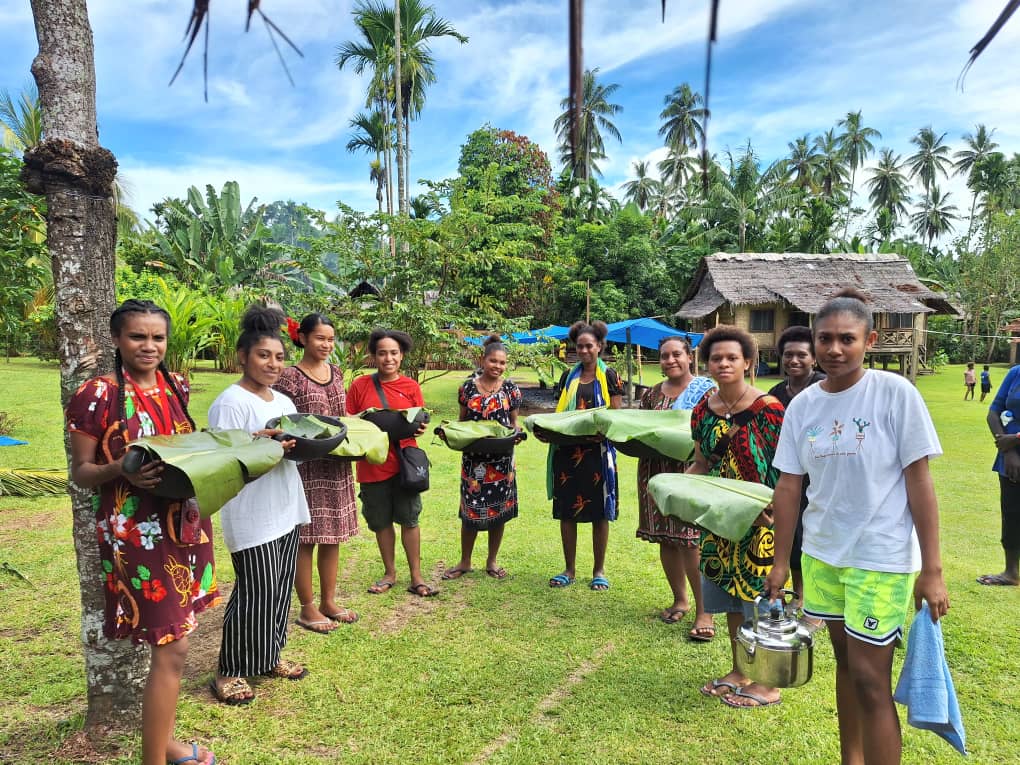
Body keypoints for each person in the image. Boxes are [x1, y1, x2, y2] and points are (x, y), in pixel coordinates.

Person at [765, 288, 950, 765]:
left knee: (871, 678)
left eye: (847, 338)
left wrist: (933, 570)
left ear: (868, 341)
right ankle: (853, 759)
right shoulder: (803, 406)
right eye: (825, 338)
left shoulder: (895, 394)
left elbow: (919, 482)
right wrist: (780, 563)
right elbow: (788, 487)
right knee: (846, 666)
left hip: (880, 556)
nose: (834, 349)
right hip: (824, 556)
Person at [67, 299, 219, 765]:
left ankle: (164, 745)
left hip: (184, 525)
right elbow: (81, 472)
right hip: (137, 535)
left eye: (158, 337)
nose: (149, 346)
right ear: (117, 339)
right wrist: (121, 469)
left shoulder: (177, 385)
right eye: (138, 336)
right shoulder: (97, 394)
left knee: (174, 642)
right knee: (174, 648)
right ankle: (156, 759)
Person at [208, 305, 311, 705]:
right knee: (255, 590)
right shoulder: (230, 402)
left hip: (286, 506)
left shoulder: (283, 399)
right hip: (252, 513)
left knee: (280, 588)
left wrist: (304, 445)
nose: (273, 364)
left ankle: (269, 656)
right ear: (243, 356)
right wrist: (261, 445)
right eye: (263, 356)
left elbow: (293, 453)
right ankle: (229, 670)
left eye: (280, 357)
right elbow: (222, 461)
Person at [686, 325, 785, 708]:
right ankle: (740, 669)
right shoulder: (703, 411)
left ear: (748, 362)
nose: (723, 363)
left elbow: (785, 470)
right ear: (706, 363)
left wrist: (774, 511)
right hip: (720, 520)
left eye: (732, 357)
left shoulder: (768, 410)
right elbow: (701, 463)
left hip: (763, 520)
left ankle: (769, 680)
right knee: (727, 596)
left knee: (761, 599)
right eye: (716, 358)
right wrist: (674, 491)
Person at [274, 313, 360, 634]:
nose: (326, 344)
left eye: (330, 339)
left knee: (332, 535)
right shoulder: (289, 377)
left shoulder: (336, 373)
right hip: (306, 467)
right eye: (320, 338)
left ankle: (329, 601)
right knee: (306, 538)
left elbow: (341, 416)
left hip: (336, 464)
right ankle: (307, 607)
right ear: (304, 338)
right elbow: (283, 422)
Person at [347, 328, 437, 597]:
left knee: (409, 518)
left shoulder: (411, 387)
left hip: (404, 463)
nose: (388, 358)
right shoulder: (360, 386)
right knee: (381, 520)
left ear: (402, 356)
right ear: (374, 356)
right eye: (382, 353)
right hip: (372, 464)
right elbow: (350, 421)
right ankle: (389, 573)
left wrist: (420, 429)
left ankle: (417, 576)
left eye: (394, 353)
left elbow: (418, 420)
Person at [635, 335, 716, 631]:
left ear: (689, 356)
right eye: (665, 356)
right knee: (666, 537)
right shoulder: (651, 395)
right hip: (655, 470)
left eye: (676, 354)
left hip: (690, 472)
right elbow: (640, 429)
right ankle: (680, 600)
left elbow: (716, 432)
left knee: (690, 540)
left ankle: (705, 611)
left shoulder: (707, 392)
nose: (670, 360)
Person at [536, 320, 622, 591]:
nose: (584, 351)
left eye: (589, 346)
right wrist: (547, 431)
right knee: (567, 513)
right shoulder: (567, 377)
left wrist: (602, 431)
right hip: (567, 453)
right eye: (580, 346)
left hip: (597, 453)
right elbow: (562, 415)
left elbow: (616, 417)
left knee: (599, 514)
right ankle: (569, 569)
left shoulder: (610, 376)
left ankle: (599, 570)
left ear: (599, 347)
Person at [441, 335, 523, 581]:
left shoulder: (511, 389)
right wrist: (449, 433)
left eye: (502, 362)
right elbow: (463, 422)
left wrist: (517, 435)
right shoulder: (467, 387)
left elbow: (514, 423)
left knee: (499, 512)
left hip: (502, 462)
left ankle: (492, 561)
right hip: (474, 462)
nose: (497, 366)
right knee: (470, 511)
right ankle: (465, 561)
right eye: (493, 361)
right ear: (483, 360)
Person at [767, 325, 826, 618]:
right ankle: (800, 593)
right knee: (792, 535)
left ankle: (817, 598)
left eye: (801, 355)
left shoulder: (825, 388)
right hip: (788, 475)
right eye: (788, 355)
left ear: (813, 358)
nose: (794, 360)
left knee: (817, 534)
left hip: (821, 476)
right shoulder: (776, 394)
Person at [978, 363, 1020, 586]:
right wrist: (1009, 449)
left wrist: (1016, 438)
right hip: (1011, 460)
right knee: (1011, 513)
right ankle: (1011, 572)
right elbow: (993, 411)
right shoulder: (1016, 373)